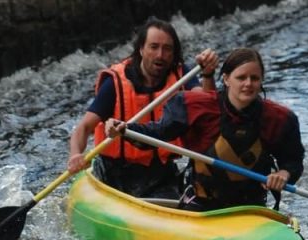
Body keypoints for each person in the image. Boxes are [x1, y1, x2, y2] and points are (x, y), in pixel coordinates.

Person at [105, 47, 304, 211]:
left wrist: (283, 174)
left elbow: (293, 161)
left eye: (255, 78)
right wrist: (125, 129)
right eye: (241, 77)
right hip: (201, 206)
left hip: (250, 208)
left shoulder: (280, 119)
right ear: (226, 79)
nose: (248, 84)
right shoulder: (195, 106)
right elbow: (158, 133)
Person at [67, 17, 220, 198]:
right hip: (113, 173)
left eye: (167, 49)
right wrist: (75, 155)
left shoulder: (182, 76)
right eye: (154, 47)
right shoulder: (116, 82)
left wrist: (208, 74)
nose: (160, 55)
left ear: (173, 54)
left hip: (160, 173)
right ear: (141, 49)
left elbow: (208, 107)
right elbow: (84, 127)